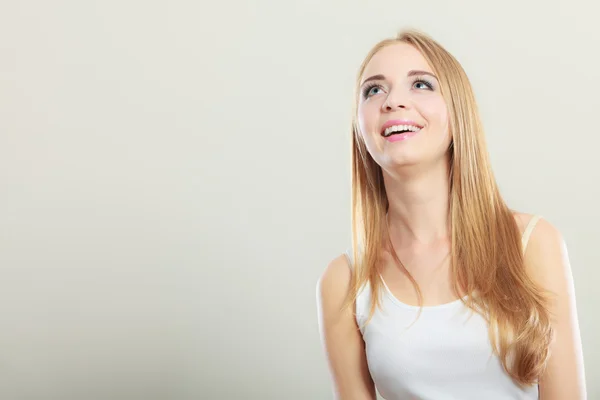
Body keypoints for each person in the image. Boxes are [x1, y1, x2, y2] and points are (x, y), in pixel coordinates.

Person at [316, 29, 587, 400]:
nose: (393, 101)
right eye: (373, 90)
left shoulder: (532, 243)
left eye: (421, 85)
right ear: (359, 127)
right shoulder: (344, 282)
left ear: (457, 111)